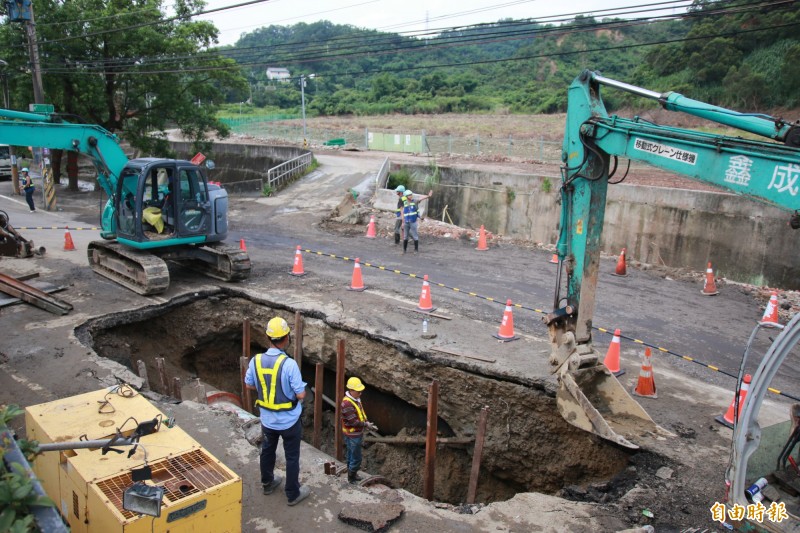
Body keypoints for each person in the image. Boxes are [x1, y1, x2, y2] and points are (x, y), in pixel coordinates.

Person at [245, 317, 310, 506]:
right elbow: (300, 394)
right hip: (289, 421)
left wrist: (265, 389)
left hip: (267, 420)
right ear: (287, 338)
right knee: (291, 457)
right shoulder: (289, 364)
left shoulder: (256, 360)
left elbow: (249, 385)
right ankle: (292, 493)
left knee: (267, 451)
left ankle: (267, 483)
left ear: (268, 337)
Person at [341, 376, 378, 484]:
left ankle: (351, 474)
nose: (360, 393)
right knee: (356, 458)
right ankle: (351, 477)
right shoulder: (347, 404)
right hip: (352, 434)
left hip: (353, 433)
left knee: (351, 454)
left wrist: (366, 421)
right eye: (358, 391)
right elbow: (354, 422)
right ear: (351, 390)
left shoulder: (355, 399)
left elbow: (360, 414)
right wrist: (366, 425)